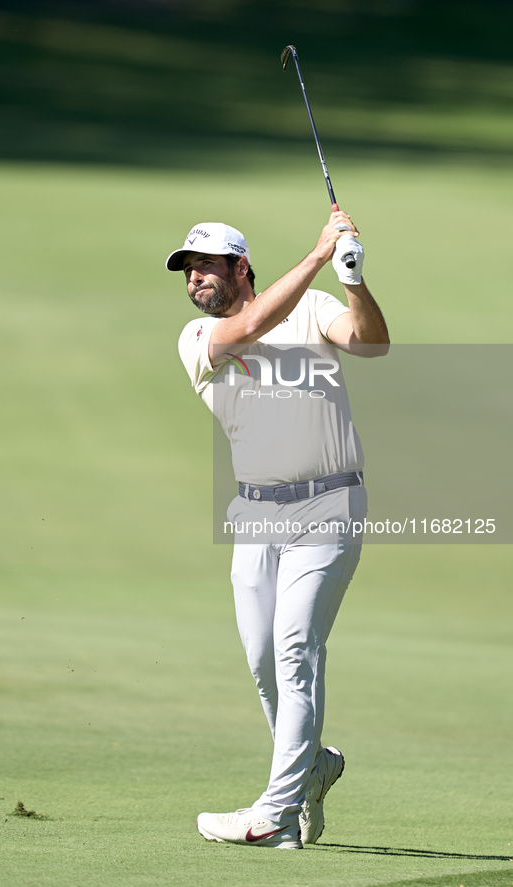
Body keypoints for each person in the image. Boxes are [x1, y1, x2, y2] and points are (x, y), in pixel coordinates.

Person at [166, 211, 389, 849]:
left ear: (240, 266)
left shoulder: (313, 306)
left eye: (205, 266)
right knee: (264, 662)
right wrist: (320, 251)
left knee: (295, 653)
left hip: (330, 505)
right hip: (255, 516)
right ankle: (313, 770)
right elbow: (252, 326)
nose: (194, 280)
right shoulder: (198, 339)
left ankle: (274, 815)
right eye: (188, 271)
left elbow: (372, 344)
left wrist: (352, 279)